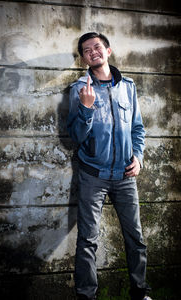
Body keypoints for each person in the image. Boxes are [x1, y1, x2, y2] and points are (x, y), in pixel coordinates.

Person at [67, 32, 152, 300]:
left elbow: (137, 128)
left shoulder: (128, 86)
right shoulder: (79, 90)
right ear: (83, 59)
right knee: (88, 241)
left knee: (135, 239)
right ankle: (86, 296)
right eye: (86, 50)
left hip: (126, 177)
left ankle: (140, 292)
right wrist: (87, 109)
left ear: (108, 50)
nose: (93, 52)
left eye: (97, 47)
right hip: (93, 175)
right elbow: (76, 136)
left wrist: (138, 156)